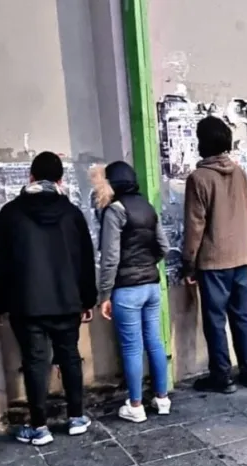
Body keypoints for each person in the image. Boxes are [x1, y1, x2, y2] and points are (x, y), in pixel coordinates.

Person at [0, 152, 96, 446]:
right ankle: (76, 416)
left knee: (36, 362)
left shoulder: (10, 214)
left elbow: (1, 264)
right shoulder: (72, 214)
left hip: (27, 304)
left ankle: (39, 427)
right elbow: (84, 261)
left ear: (31, 177)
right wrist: (87, 300)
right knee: (70, 357)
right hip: (66, 302)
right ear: (61, 180)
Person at [183, 117, 247, 393]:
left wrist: (188, 264)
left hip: (214, 261)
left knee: (215, 320)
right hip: (241, 256)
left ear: (202, 142)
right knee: (242, 316)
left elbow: (195, 227)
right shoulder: (239, 173)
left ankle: (222, 376)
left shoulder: (198, 178)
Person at [93, 161, 172, 422]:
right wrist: (147, 265)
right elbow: (164, 246)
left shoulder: (115, 210)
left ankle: (136, 405)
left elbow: (110, 258)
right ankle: (162, 399)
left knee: (132, 347)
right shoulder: (147, 207)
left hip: (127, 289)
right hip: (151, 285)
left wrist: (104, 294)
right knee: (154, 341)